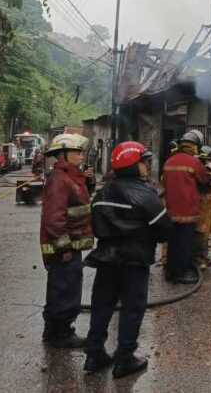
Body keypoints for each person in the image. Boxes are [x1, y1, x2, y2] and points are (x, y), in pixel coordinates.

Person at [84, 141, 171, 378]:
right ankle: (124, 359)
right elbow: (164, 229)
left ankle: (94, 355)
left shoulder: (103, 193)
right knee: (132, 309)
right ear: (134, 165)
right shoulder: (145, 194)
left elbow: (95, 225)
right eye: (144, 162)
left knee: (102, 306)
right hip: (134, 261)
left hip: (106, 260)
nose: (147, 166)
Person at [40, 133, 94, 349]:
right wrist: (63, 248)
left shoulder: (71, 177)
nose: (81, 155)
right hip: (64, 248)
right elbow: (54, 219)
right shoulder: (59, 180)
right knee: (63, 289)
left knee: (67, 287)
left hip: (71, 245)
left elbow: (78, 205)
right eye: (77, 152)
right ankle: (59, 333)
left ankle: (56, 330)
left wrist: (87, 183)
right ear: (63, 154)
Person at [161, 130, 210, 284]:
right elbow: (205, 180)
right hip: (188, 211)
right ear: (195, 146)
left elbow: (164, 183)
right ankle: (181, 273)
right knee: (185, 243)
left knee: (173, 242)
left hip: (171, 211)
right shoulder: (193, 162)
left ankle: (170, 272)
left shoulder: (169, 161)